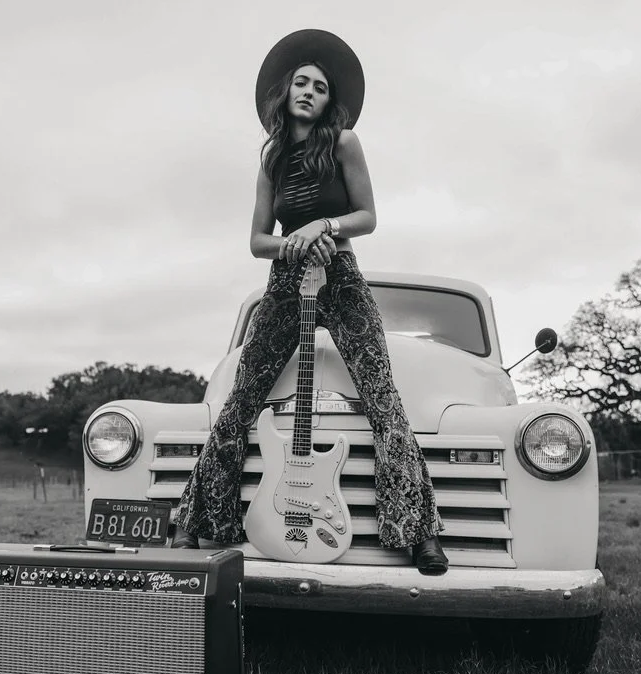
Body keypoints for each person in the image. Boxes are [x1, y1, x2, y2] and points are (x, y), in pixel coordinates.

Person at [171, 29, 448, 575]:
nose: (308, 91)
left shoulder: (344, 143)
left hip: (341, 276)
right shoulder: (272, 156)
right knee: (239, 400)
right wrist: (293, 240)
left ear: (329, 101)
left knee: (383, 399)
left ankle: (418, 533)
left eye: (319, 87)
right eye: (300, 82)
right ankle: (197, 521)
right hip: (284, 282)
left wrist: (323, 224)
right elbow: (256, 241)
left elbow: (367, 217)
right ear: (286, 93)